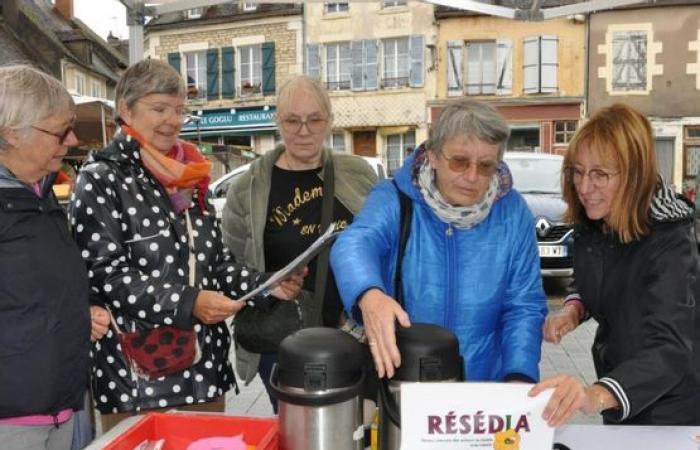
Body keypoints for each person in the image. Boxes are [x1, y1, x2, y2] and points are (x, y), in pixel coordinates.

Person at [69, 59, 303, 432]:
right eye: (159, 109)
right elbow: (106, 276)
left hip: (204, 370)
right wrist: (190, 302)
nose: (173, 120)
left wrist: (267, 285)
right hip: (137, 378)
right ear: (126, 110)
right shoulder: (102, 178)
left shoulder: (189, 174)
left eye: (179, 110)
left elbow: (217, 264)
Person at [330, 99, 547, 382]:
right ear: (432, 156)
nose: (471, 176)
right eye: (459, 162)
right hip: (407, 379)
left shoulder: (512, 212)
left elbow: (524, 305)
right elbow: (354, 243)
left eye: (485, 166)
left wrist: (519, 376)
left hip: (483, 384)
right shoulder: (395, 198)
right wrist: (369, 294)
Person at [529, 103, 700, 426]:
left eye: (600, 174)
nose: (583, 187)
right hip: (618, 390)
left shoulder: (670, 239)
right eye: (577, 171)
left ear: (634, 175)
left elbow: (670, 347)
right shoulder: (596, 223)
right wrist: (574, 309)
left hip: (675, 406)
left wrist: (593, 395)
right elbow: (593, 277)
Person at [222, 75, 378, 411]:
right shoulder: (248, 187)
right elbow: (228, 265)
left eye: (314, 119)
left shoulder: (358, 174)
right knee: (298, 433)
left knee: (353, 432)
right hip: (282, 342)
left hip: (354, 335)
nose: (304, 130)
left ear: (330, 121)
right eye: (293, 120)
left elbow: (383, 244)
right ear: (278, 121)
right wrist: (266, 283)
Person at [0, 64, 95, 449]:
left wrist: (85, 309)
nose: (71, 140)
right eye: (59, 131)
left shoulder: (41, 195)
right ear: (10, 134)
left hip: (64, 408)